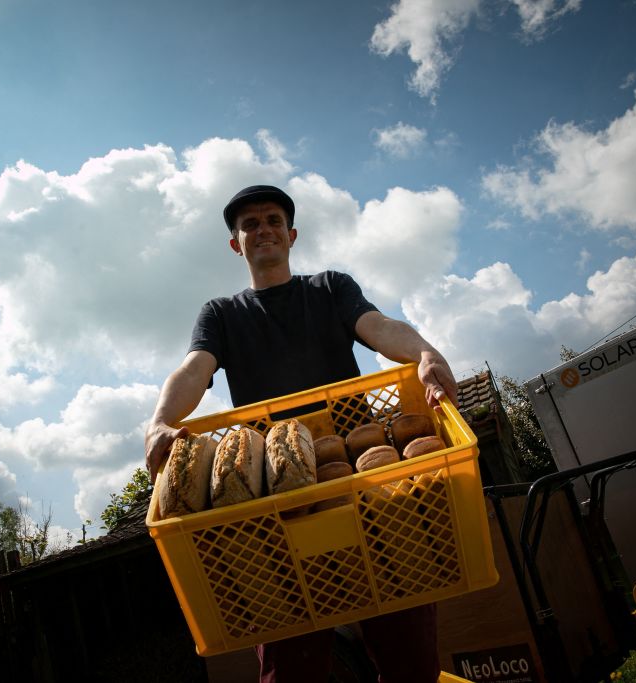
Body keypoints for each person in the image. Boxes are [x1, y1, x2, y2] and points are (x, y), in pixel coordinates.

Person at [144, 185, 457, 683]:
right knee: (291, 665)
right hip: (274, 497)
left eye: (272, 220)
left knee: (410, 655)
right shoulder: (222, 313)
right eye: (249, 224)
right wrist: (161, 419)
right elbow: (194, 368)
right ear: (236, 244)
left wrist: (424, 352)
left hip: (363, 478)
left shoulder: (330, 288)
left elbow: (377, 326)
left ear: (291, 235)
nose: (262, 229)